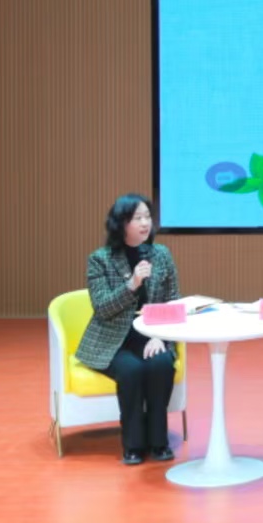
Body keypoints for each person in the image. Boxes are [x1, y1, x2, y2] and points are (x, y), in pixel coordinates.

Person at [75, 193, 180, 465]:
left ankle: (158, 442)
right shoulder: (100, 259)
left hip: (152, 333)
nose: (145, 223)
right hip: (112, 338)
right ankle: (133, 445)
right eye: (137, 218)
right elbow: (103, 308)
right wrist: (132, 284)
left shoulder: (161, 255)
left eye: (147, 217)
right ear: (121, 223)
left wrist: (160, 336)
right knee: (132, 370)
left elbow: (172, 302)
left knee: (161, 365)